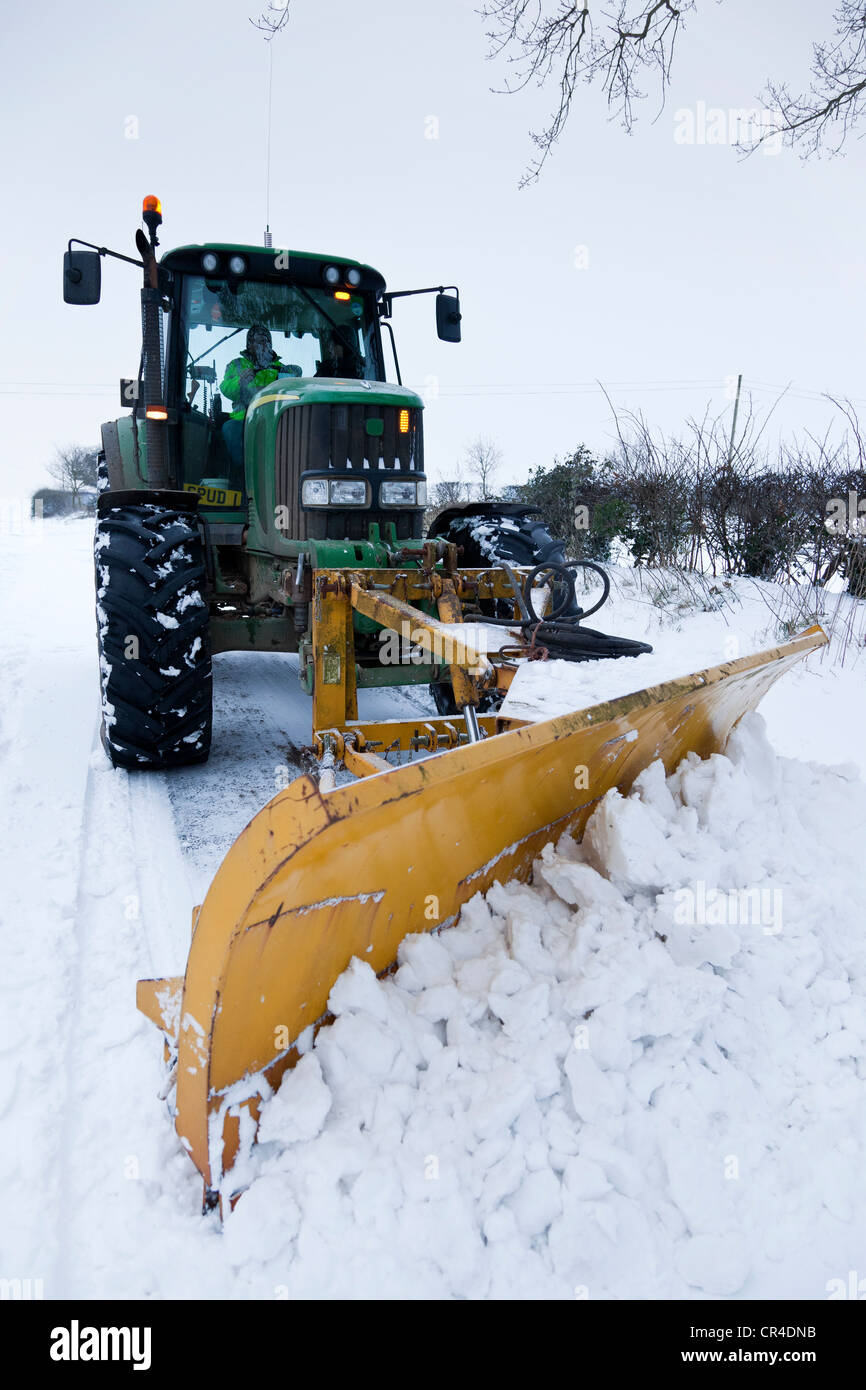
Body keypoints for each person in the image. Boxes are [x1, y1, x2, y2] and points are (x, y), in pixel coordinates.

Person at [220, 325, 300, 471]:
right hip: (243, 420)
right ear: (249, 344)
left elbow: (292, 391)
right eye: (259, 341)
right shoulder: (236, 365)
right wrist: (239, 381)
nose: (264, 345)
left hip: (275, 419)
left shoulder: (282, 369)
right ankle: (243, 472)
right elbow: (225, 388)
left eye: (266, 341)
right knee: (229, 429)